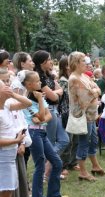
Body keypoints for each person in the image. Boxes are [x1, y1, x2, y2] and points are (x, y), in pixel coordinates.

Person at [20, 70, 68, 197]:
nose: (40, 83)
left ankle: (54, 194)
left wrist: (41, 116)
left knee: (57, 162)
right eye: (37, 81)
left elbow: (47, 117)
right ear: (29, 84)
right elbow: (41, 116)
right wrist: (41, 102)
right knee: (40, 165)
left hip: (42, 132)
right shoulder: (27, 100)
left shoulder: (38, 95)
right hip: (34, 134)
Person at [68, 51, 105, 182]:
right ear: (76, 63)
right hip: (83, 116)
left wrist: (94, 91)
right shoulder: (74, 78)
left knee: (93, 141)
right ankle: (83, 172)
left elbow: (97, 90)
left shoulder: (84, 76)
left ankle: (95, 166)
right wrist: (94, 92)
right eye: (84, 61)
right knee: (84, 143)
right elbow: (86, 97)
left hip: (91, 115)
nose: (87, 63)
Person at [32, 50, 69, 181]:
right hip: (48, 111)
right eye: (49, 59)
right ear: (43, 62)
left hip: (55, 110)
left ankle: (49, 169)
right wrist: (57, 92)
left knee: (64, 140)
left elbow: (60, 91)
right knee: (50, 142)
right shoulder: (39, 78)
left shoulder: (49, 76)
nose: (52, 61)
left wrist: (56, 92)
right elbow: (53, 95)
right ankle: (45, 173)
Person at [0, 81, 27, 197]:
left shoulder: (7, 107)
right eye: (3, 85)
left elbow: (26, 103)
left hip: (8, 157)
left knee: (6, 196)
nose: (7, 86)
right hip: (3, 157)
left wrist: (13, 94)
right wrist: (15, 140)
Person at [57, 57, 80, 177]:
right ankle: (63, 165)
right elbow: (66, 97)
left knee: (75, 139)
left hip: (75, 112)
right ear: (66, 66)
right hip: (67, 112)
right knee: (68, 140)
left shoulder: (73, 79)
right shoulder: (63, 81)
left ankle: (72, 162)